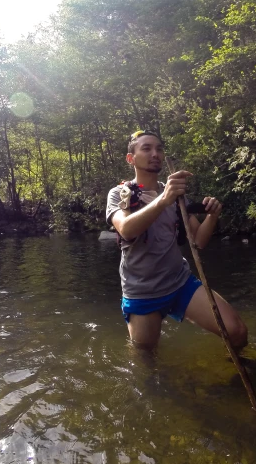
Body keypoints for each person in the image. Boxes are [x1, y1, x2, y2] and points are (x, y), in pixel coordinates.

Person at [105, 130, 248, 351]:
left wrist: (212, 216)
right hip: (142, 291)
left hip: (179, 282)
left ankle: (231, 378)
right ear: (130, 158)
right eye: (146, 148)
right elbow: (126, 230)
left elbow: (199, 241)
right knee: (145, 356)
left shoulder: (176, 194)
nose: (155, 153)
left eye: (159, 148)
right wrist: (164, 199)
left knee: (236, 332)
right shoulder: (119, 193)